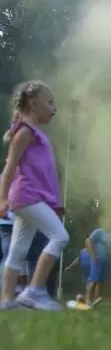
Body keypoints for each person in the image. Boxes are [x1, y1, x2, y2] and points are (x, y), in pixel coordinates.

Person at [0, 80, 68, 310]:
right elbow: (9, 168)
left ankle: (6, 300)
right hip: (26, 197)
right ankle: (35, 291)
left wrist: (54, 204)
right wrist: (2, 198)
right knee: (60, 237)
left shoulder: (35, 134)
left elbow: (44, 175)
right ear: (33, 103)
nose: (54, 108)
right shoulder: (25, 132)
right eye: (50, 102)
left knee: (17, 250)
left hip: (30, 198)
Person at [85, 227, 111, 306]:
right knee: (94, 279)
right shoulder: (99, 231)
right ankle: (88, 299)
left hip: (106, 260)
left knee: (102, 281)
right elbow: (89, 241)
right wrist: (93, 255)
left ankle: (96, 299)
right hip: (97, 259)